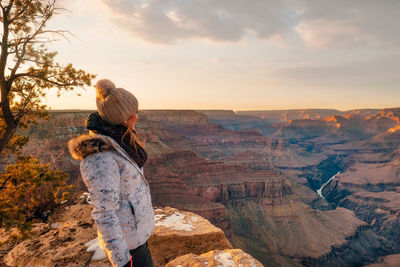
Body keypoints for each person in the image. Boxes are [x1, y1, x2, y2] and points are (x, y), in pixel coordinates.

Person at [68, 79, 155, 267]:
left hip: (136, 238)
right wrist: (122, 262)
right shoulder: (100, 158)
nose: (136, 117)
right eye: (134, 113)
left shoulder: (122, 145)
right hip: (128, 247)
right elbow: (104, 214)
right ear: (122, 118)